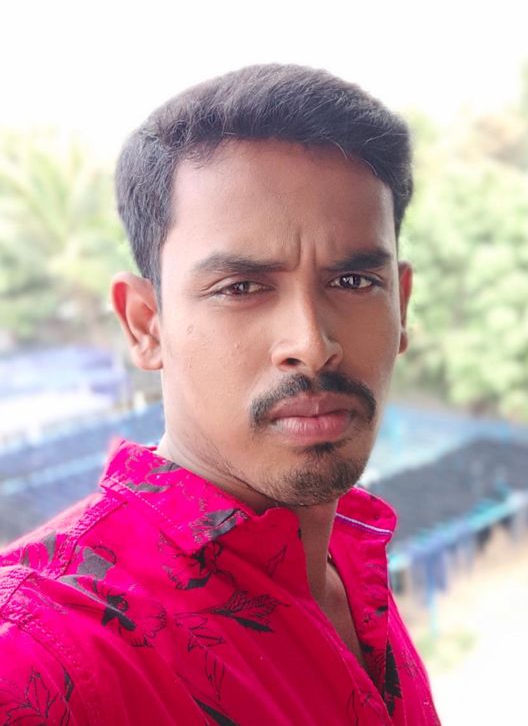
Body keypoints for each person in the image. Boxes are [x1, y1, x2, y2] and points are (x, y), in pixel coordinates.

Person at [0, 64, 441, 725]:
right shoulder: (48, 649)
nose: (311, 343)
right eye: (241, 287)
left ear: (400, 305)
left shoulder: (345, 557)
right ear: (145, 325)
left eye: (353, 281)